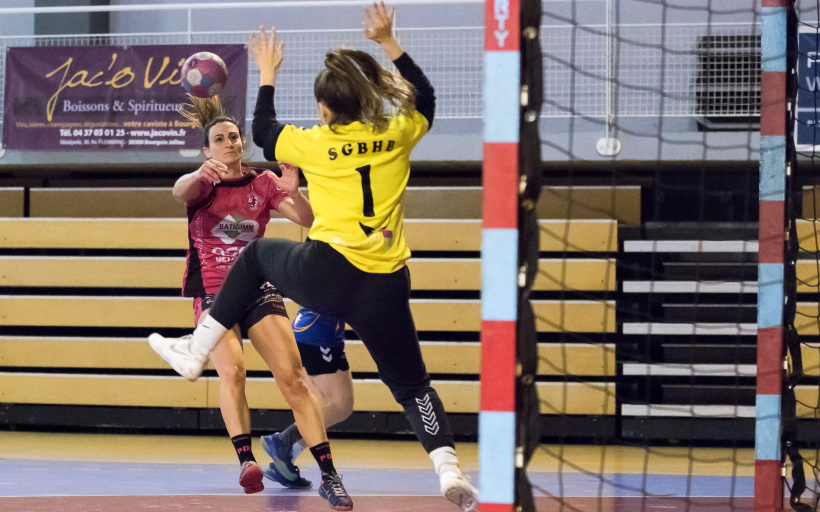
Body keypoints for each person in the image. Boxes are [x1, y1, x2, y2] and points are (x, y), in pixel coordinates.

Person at [147, 2, 478, 510]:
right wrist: (389, 42)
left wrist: (267, 73)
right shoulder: (396, 134)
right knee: (413, 387)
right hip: (384, 283)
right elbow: (426, 97)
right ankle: (448, 469)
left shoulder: (313, 143)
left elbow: (261, 127)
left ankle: (196, 348)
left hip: (327, 271)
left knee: (255, 256)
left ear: (324, 108)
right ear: (367, 100)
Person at [148, 96, 352, 510]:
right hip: (214, 292)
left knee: (293, 379)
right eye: (219, 139)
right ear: (208, 150)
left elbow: (309, 221)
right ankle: (246, 462)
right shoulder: (203, 183)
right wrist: (194, 173)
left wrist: (296, 192)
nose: (229, 143)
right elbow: (178, 191)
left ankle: (329, 475)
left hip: (259, 287)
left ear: (243, 143)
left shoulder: (261, 183)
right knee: (233, 372)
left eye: (234, 137)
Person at [262, 307, 354, 490]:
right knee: (340, 406)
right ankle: (285, 442)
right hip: (320, 335)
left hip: (310, 332)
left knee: (320, 405)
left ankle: (286, 458)